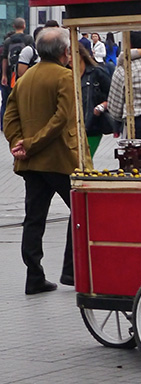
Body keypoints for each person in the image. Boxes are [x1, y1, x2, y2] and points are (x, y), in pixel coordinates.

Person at [3, 27, 79, 295]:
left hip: (31, 163)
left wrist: (18, 143)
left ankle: (34, 275)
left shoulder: (25, 78)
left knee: (34, 218)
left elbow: (9, 117)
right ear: (63, 52)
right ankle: (71, 270)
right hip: (59, 159)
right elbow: (61, 119)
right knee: (81, 211)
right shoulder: (65, 77)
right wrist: (32, 144)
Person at [79, 43, 112, 158]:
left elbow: (112, 95)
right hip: (71, 129)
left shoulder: (97, 72)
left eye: (71, 54)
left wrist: (102, 106)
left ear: (81, 55)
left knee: (85, 159)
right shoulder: (66, 73)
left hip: (93, 126)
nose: (68, 58)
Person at [1, 17, 34, 127]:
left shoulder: (8, 41)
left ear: (13, 26)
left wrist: (4, 75)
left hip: (12, 74)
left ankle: (7, 123)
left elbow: (5, 58)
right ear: (24, 26)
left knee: (10, 98)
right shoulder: (28, 39)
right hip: (26, 74)